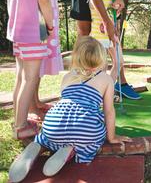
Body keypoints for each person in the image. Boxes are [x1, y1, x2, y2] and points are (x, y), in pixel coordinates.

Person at [8, 36, 130, 183]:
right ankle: (72, 150)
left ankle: (39, 146)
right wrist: (112, 137)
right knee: (95, 131)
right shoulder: (106, 79)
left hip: (53, 123)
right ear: (101, 58)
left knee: (47, 136)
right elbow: (109, 111)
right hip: (84, 128)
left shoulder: (68, 77)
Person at [5, 0, 56, 139]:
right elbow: (43, 0)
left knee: (20, 77)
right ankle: (20, 127)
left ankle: (18, 119)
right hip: (34, 31)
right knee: (30, 79)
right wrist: (50, 23)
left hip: (18, 31)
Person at [29, 0, 71, 121]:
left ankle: (36, 101)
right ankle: (31, 106)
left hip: (48, 26)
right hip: (39, 25)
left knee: (41, 65)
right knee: (34, 67)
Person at [89, 0, 136, 98]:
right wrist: (110, 11)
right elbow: (97, 10)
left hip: (112, 35)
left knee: (119, 61)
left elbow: (115, 14)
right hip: (99, 35)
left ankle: (107, 90)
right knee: (101, 68)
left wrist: (118, 8)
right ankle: (98, 96)